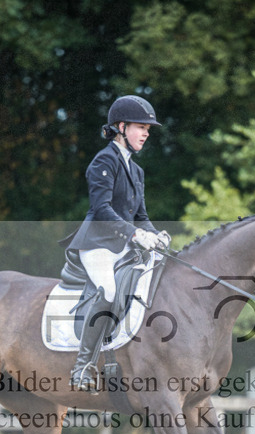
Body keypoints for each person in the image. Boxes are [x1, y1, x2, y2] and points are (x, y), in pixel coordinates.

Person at [63, 95, 170, 392]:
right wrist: (136, 235)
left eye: (149, 128)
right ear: (121, 127)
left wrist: (155, 235)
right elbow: (102, 209)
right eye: (141, 127)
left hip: (123, 246)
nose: (147, 133)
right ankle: (83, 366)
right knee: (108, 290)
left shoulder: (137, 171)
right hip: (97, 244)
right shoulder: (103, 161)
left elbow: (141, 216)